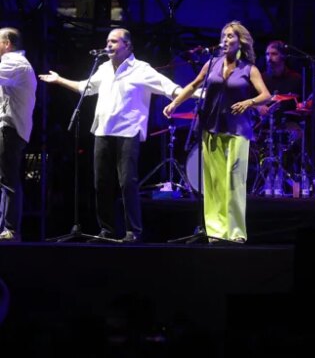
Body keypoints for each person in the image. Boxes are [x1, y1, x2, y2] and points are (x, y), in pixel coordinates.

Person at [39, 28, 183, 243]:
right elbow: (84, 89)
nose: (109, 46)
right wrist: (59, 80)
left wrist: (196, 94)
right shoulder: (104, 68)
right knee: (101, 182)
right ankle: (106, 230)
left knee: (127, 182)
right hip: (103, 130)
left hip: (128, 131)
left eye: (114, 42)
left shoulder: (141, 69)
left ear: (128, 46)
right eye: (108, 41)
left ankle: (133, 231)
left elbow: (169, 88)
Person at [163, 21, 270, 243]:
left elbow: (265, 95)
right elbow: (193, 85)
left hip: (238, 129)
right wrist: (175, 103)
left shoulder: (249, 68)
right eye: (223, 35)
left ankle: (236, 232)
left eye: (230, 36)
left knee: (233, 181)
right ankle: (215, 232)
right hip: (211, 127)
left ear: (240, 41)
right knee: (213, 183)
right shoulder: (212, 63)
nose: (225, 39)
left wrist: (248, 102)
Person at [0, 28, 36, 242]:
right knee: (4, 180)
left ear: (7, 43)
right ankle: (6, 228)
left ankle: (12, 230)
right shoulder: (11, 64)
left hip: (11, 129)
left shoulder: (14, 62)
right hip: (9, 128)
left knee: (8, 180)